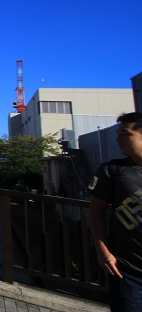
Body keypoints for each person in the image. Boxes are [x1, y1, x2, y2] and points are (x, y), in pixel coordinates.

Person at [88, 112, 142, 312]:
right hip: (127, 271)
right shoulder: (112, 170)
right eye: (117, 134)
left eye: (125, 134)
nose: (118, 138)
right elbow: (95, 211)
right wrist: (103, 252)